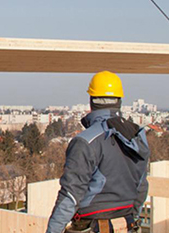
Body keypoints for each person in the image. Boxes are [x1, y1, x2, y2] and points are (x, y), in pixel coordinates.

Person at [47, 71, 149, 233]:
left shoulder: (86, 141)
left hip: (95, 226)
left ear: (91, 101)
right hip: (126, 223)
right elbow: (142, 186)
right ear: (119, 101)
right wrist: (132, 219)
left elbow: (70, 196)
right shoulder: (138, 135)